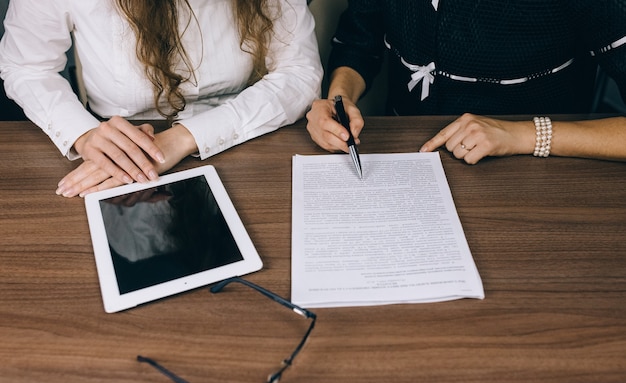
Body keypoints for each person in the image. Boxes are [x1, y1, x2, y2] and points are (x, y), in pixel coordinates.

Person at [0, 0, 322, 197]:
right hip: (126, 149)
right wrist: (83, 134)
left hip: (250, 139)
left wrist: (184, 138)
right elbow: (25, 66)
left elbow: (300, 71)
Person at [306, 0, 626, 164]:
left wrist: (524, 135)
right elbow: (358, 43)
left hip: (533, 173)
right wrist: (339, 100)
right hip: (406, 161)